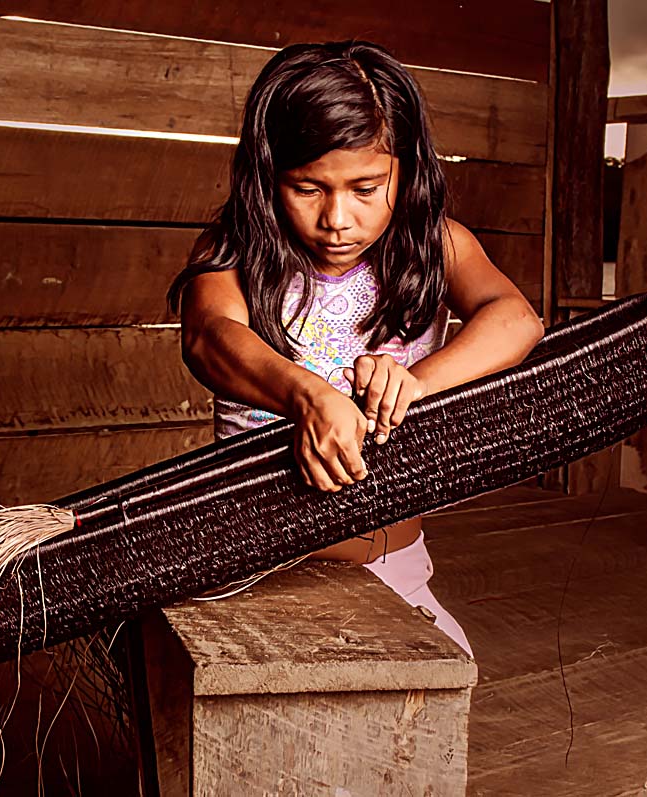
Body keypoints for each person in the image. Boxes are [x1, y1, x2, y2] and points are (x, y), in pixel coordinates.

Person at [167, 41, 545, 657]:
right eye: (307, 189)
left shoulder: (434, 246)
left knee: (440, 686)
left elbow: (516, 320)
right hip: (250, 568)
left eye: (367, 188)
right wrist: (307, 395)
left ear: (406, 170)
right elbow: (209, 337)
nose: (337, 218)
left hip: (392, 562)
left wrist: (415, 381)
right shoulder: (232, 250)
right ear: (268, 177)